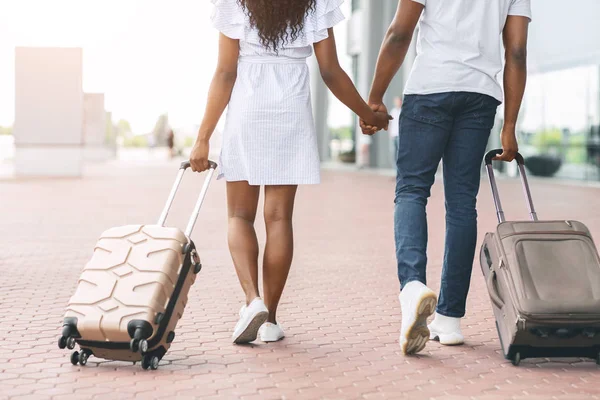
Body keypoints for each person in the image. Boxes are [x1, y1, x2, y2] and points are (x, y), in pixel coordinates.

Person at [190, 0, 391, 344]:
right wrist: (368, 115)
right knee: (279, 219)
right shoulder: (315, 3)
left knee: (239, 216)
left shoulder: (234, 3)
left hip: (248, 109)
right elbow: (331, 72)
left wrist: (202, 138)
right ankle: (270, 319)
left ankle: (252, 300)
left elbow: (225, 72)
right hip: (290, 109)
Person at [361, 0, 531, 355]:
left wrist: (374, 98)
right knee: (461, 204)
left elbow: (399, 33)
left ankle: (412, 287)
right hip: (480, 95)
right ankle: (450, 319)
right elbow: (515, 52)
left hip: (430, 87)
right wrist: (510, 125)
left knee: (411, 191)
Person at [389, 96, 402, 164]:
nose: (397, 103)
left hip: (400, 135)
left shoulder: (402, 111)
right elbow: (390, 123)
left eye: (398, 101)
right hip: (394, 135)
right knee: (394, 152)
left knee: (400, 152)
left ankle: (399, 169)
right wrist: (390, 134)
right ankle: (395, 169)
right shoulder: (393, 111)